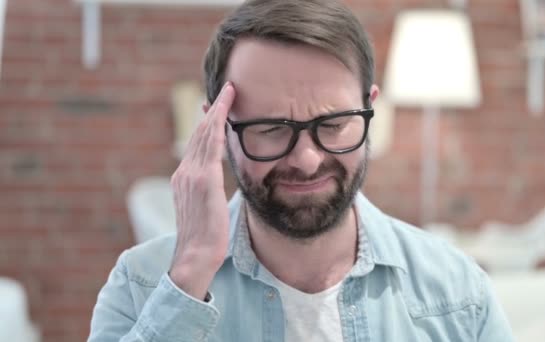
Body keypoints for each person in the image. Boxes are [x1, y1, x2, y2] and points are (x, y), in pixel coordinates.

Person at [88, 0, 513, 341]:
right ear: (215, 129)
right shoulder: (140, 285)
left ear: (371, 108)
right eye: (271, 129)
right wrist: (189, 279)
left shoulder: (458, 294)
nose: (307, 160)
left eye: (332, 125)